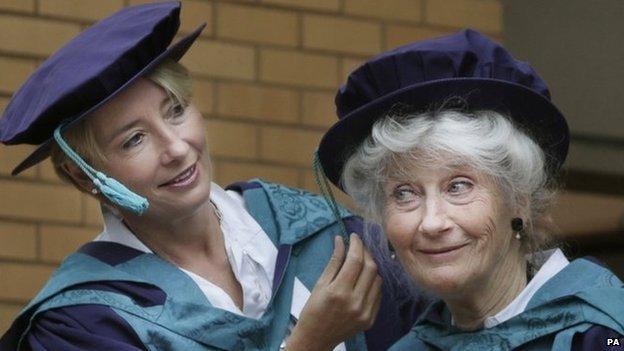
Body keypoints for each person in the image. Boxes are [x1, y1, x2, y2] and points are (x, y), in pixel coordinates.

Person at [0, 2, 423, 350]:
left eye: (176, 111)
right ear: (82, 175)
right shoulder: (83, 325)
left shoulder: (322, 237)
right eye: (134, 140)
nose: (178, 148)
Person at [316, 29, 624, 350]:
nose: (432, 222)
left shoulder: (602, 336)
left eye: (458, 186)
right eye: (404, 193)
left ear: (518, 198)